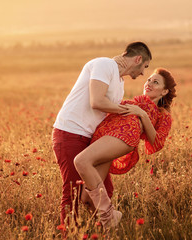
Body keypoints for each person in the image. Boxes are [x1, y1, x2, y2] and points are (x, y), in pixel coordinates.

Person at [52, 42, 152, 227]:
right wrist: (130, 110)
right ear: (138, 59)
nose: (143, 74)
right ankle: (71, 235)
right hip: (70, 132)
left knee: (104, 188)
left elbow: (109, 112)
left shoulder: (119, 82)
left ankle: (101, 230)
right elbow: (97, 102)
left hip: (90, 138)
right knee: (72, 192)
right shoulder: (104, 64)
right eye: (145, 66)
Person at [74, 68, 177, 228]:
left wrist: (142, 114)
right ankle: (106, 232)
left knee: (81, 161)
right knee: (86, 199)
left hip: (123, 139)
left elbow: (157, 144)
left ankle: (111, 218)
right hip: (105, 138)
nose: (149, 83)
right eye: (149, 79)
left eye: (155, 82)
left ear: (164, 91)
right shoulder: (132, 102)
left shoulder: (163, 115)